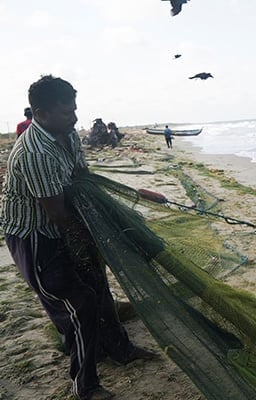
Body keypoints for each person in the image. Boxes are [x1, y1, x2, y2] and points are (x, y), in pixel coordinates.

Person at [0, 75, 157, 400]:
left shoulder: (68, 135)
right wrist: (98, 236)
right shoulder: (35, 152)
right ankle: (85, 386)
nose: (73, 118)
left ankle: (120, 349)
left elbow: (81, 178)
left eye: (74, 109)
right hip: (33, 236)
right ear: (40, 114)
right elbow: (57, 213)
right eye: (64, 112)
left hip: (62, 223)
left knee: (98, 286)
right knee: (79, 304)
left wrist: (122, 206)